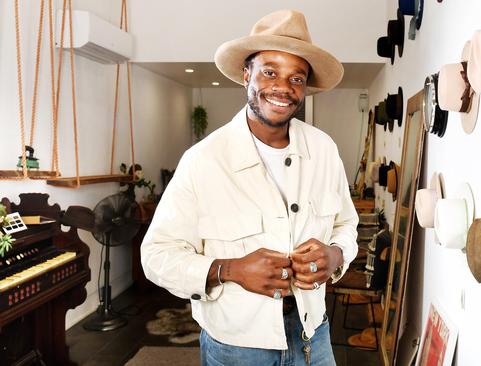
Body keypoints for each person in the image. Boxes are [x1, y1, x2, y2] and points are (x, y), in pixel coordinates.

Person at [141, 9, 359, 366]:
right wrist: (229, 270)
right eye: (270, 72)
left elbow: (346, 225)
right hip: (236, 345)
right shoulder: (204, 160)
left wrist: (334, 255)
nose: (283, 88)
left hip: (312, 334)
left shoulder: (323, 150)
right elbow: (156, 256)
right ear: (247, 75)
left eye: (297, 78)